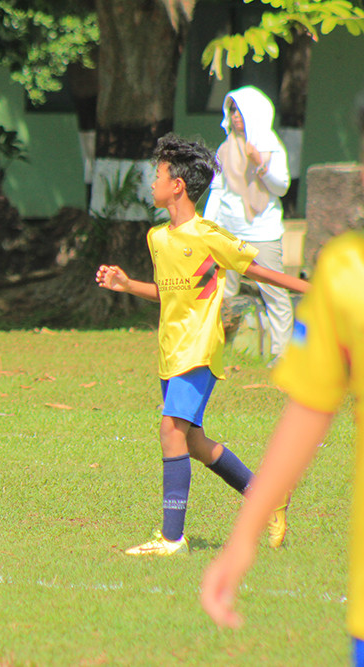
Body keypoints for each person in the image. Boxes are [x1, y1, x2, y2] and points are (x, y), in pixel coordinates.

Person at [201, 95, 364, 660]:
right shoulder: (347, 275)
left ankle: (278, 355)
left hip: (263, 237)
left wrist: (240, 542)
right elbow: (304, 418)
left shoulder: (347, 272)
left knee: (274, 306)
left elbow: (305, 419)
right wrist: (245, 537)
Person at [95, 133, 310, 556]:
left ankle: (171, 538)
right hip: (170, 354)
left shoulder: (209, 236)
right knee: (191, 442)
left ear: (177, 185)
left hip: (199, 351)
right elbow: (168, 291)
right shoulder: (157, 238)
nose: (151, 183)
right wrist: (126, 284)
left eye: (157, 175)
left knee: (169, 430)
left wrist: (314, 289)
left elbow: (263, 273)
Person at [203, 86, 294, 365]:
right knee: (222, 293)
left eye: (240, 111)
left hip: (263, 233)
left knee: (273, 292)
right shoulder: (225, 147)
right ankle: (214, 349)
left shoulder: (270, 146)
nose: (235, 116)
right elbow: (217, 190)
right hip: (230, 233)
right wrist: (207, 226)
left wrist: (260, 165)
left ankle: (282, 353)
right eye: (231, 110)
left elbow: (281, 187)